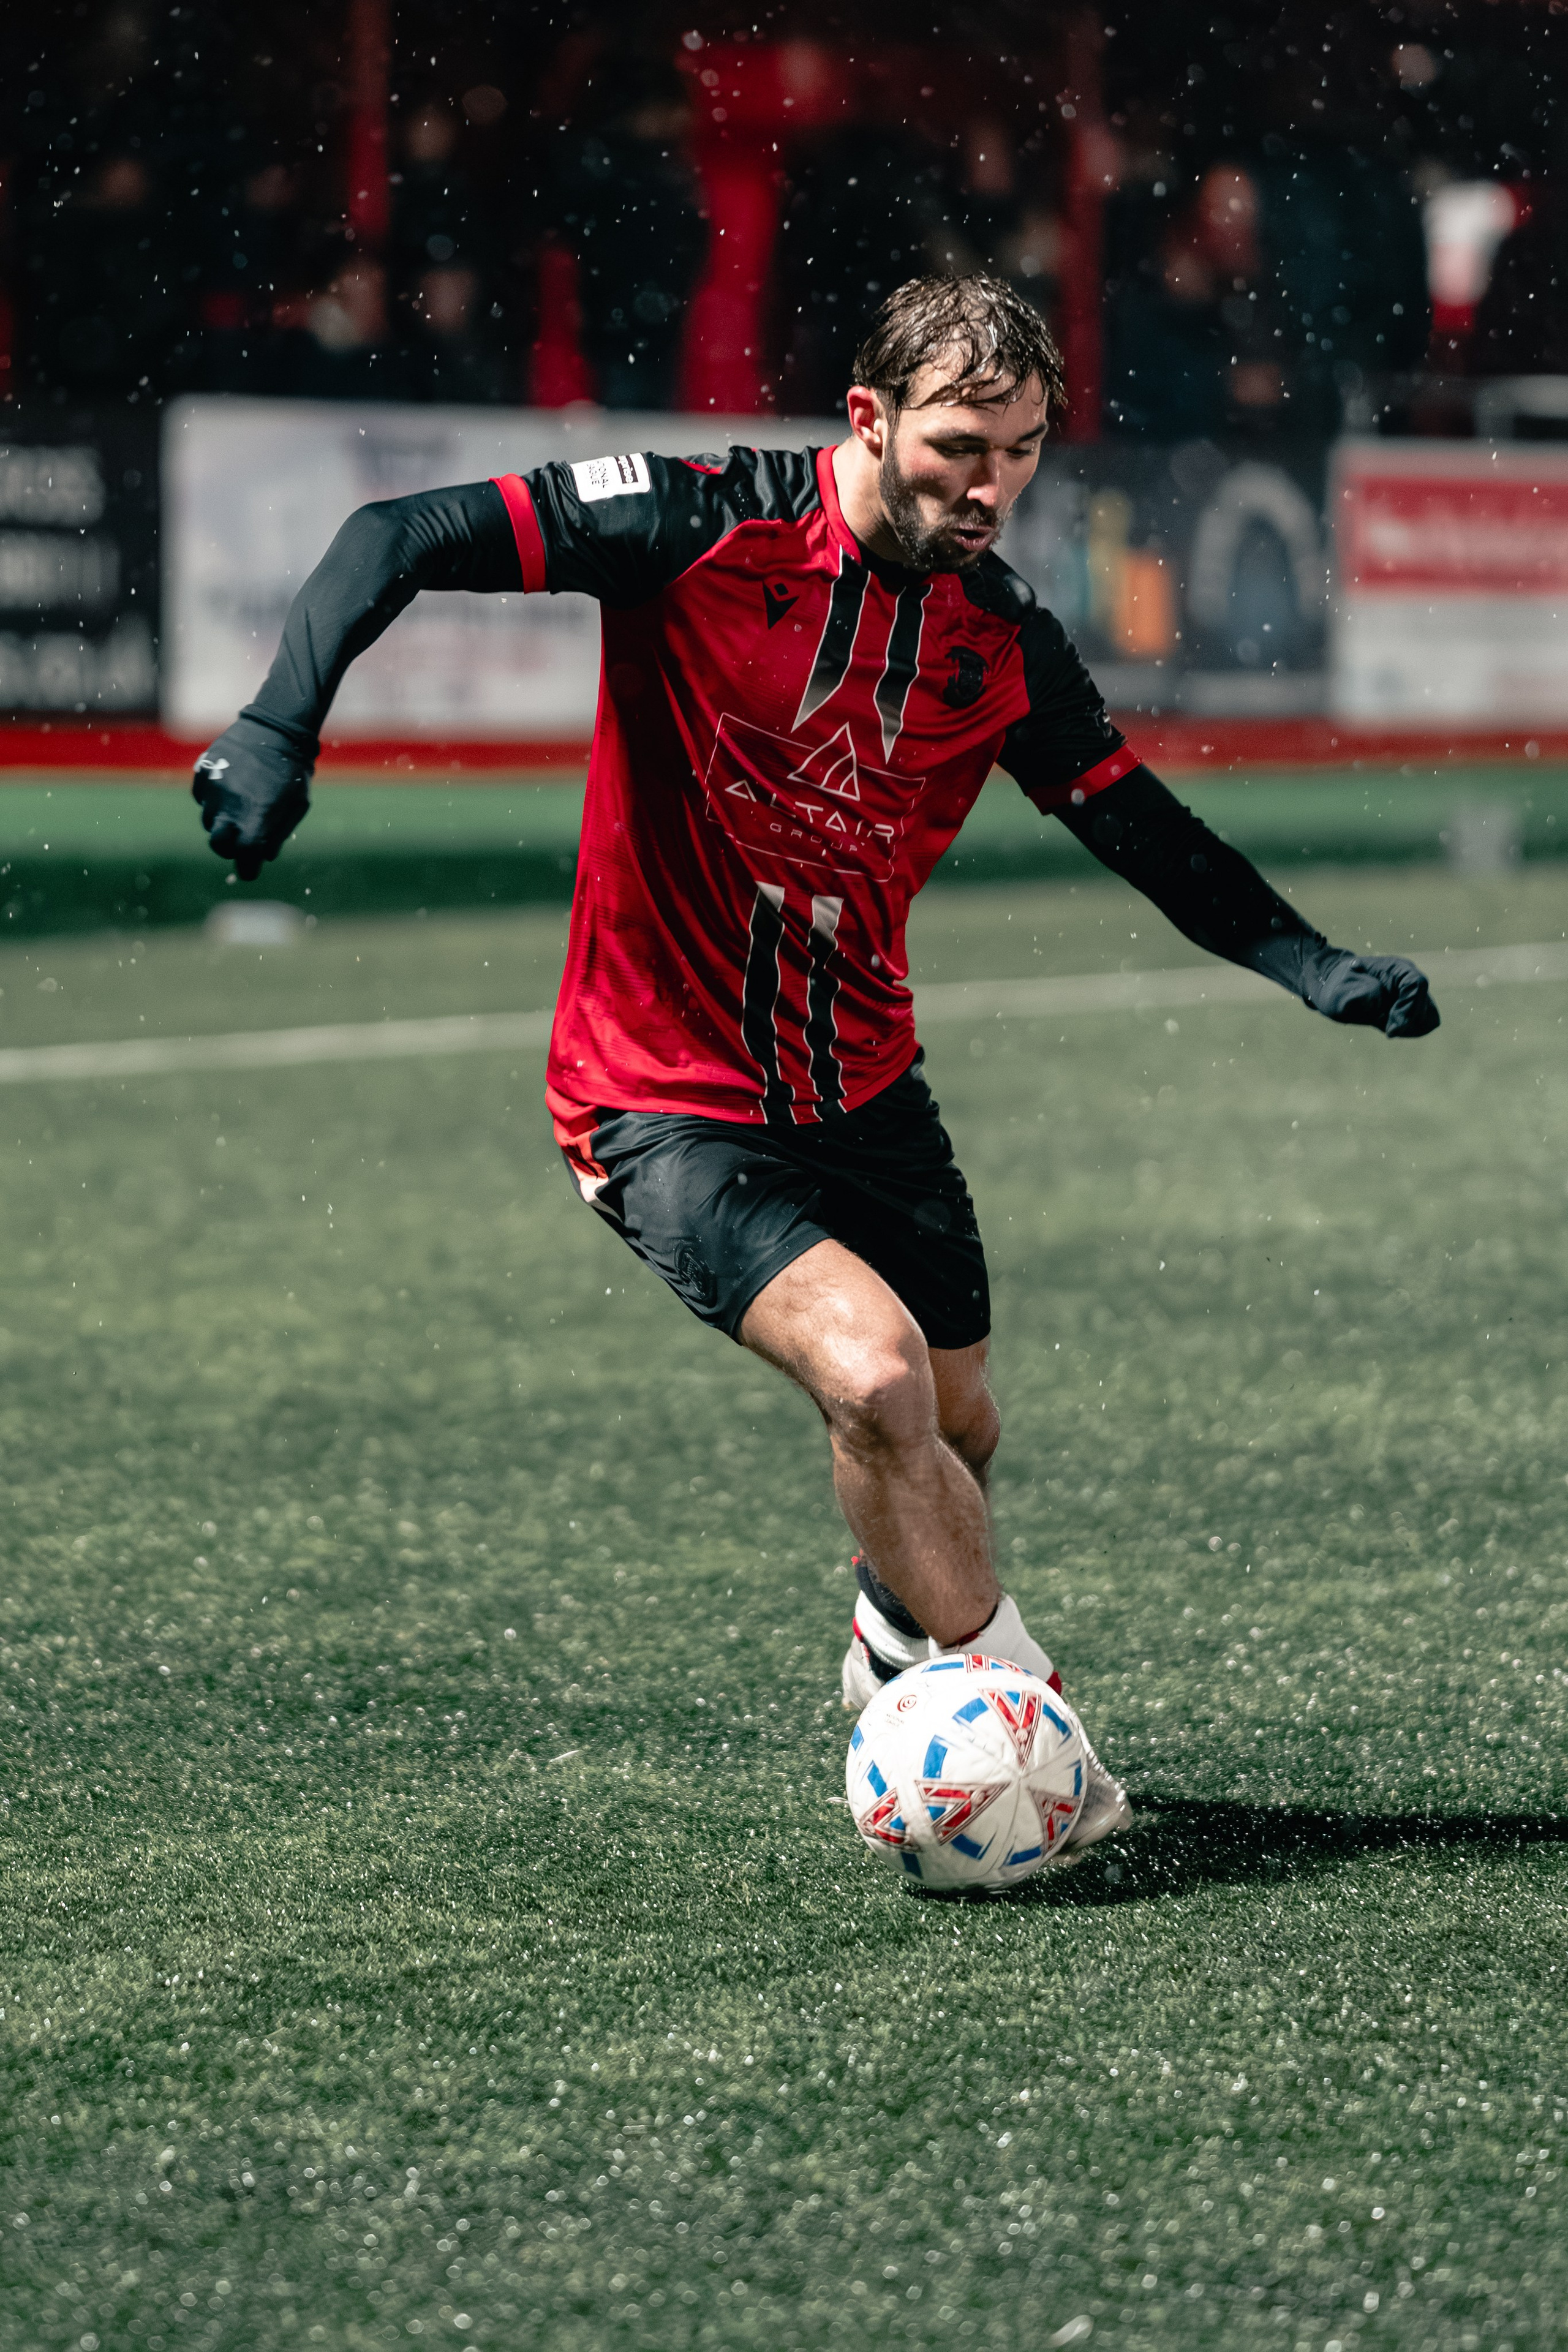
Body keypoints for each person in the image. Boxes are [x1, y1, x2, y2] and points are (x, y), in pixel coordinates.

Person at [190, 274, 1438, 1864]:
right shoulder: (696, 524)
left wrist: (1307, 963)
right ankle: (1031, 1726)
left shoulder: (1000, 643)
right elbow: (394, 534)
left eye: (1024, 452)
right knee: (876, 1378)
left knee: (959, 1422)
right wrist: (278, 723)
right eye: (959, 447)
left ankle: (894, 1638)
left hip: (865, 1087)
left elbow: (1138, 826)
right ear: (869, 418)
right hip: (658, 1096)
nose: (989, 486)